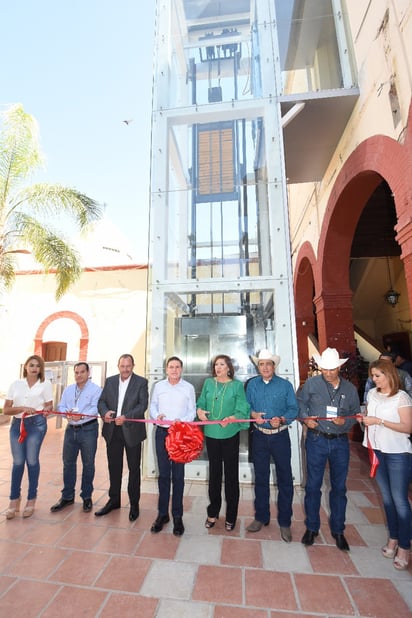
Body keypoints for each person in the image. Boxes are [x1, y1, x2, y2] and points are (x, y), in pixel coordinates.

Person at [298, 347, 359, 551]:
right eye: (325, 369)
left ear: (339, 368)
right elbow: (300, 403)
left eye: (332, 369)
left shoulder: (349, 389)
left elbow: (355, 414)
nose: (328, 372)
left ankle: (338, 530)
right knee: (313, 486)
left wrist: (346, 422)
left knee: (339, 488)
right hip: (316, 440)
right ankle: (312, 528)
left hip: (340, 442)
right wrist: (306, 418)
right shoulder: (312, 384)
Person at [361, 359, 412, 570]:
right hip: (377, 450)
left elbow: (407, 427)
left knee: (400, 500)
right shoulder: (372, 394)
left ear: (389, 374)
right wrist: (364, 420)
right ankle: (393, 537)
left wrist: (379, 421)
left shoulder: (402, 398)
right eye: (372, 376)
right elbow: (369, 416)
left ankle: (405, 546)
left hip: (397, 452)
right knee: (387, 499)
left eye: (378, 376)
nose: (374, 380)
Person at [245, 349, 298, 542]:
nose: (265, 367)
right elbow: (246, 406)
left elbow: (293, 408)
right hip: (259, 437)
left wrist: (283, 419)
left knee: (285, 479)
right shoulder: (252, 385)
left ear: (274, 366)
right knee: (260, 478)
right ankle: (261, 517)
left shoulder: (285, 385)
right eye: (261, 364)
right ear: (258, 367)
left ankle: (285, 522)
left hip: (280, 437)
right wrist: (253, 415)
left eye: (268, 364)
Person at [197, 354, 250, 531]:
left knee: (231, 476)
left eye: (221, 364)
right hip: (212, 434)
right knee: (214, 475)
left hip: (230, 434)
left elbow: (242, 407)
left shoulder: (237, 385)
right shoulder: (208, 383)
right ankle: (212, 513)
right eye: (215, 365)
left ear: (228, 367)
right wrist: (200, 411)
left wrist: (233, 417)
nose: (218, 367)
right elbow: (202, 401)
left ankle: (231, 516)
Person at [96, 354, 148, 521]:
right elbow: (101, 402)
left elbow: (142, 405)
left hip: (131, 430)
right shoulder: (110, 381)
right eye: (122, 366)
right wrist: (105, 413)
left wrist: (126, 416)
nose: (125, 369)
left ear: (133, 365)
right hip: (112, 431)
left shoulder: (141, 382)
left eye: (128, 366)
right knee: (114, 467)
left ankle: (134, 504)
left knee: (134, 469)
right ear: (118, 366)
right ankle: (114, 500)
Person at [149, 356, 196, 536]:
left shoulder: (188, 388)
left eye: (177, 367)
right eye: (171, 367)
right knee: (163, 475)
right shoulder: (159, 386)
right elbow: (153, 405)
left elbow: (192, 410)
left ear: (181, 369)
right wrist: (156, 415)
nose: (174, 370)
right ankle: (162, 515)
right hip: (162, 433)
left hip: (180, 434)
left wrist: (181, 421)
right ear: (166, 369)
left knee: (178, 476)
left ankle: (177, 516)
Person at [3, 355, 53, 519]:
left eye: (37, 366)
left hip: (37, 424)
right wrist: (22, 407)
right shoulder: (16, 384)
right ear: (26, 367)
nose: (34, 368)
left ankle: (31, 499)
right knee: (17, 462)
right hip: (17, 425)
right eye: (31, 365)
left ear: (41, 369)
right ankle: (14, 500)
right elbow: (6, 410)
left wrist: (47, 410)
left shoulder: (45, 384)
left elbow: (49, 404)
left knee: (31, 460)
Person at [50, 362, 102, 513]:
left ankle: (86, 497)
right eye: (76, 372)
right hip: (70, 430)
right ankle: (67, 496)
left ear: (88, 372)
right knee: (68, 463)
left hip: (88, 429)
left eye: (82, 372)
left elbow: (95, 408)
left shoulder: (96, 389)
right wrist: (68, 413)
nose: (79, 375)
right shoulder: (69, 389)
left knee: (88, 464)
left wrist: (81, 416)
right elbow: (61, 406)